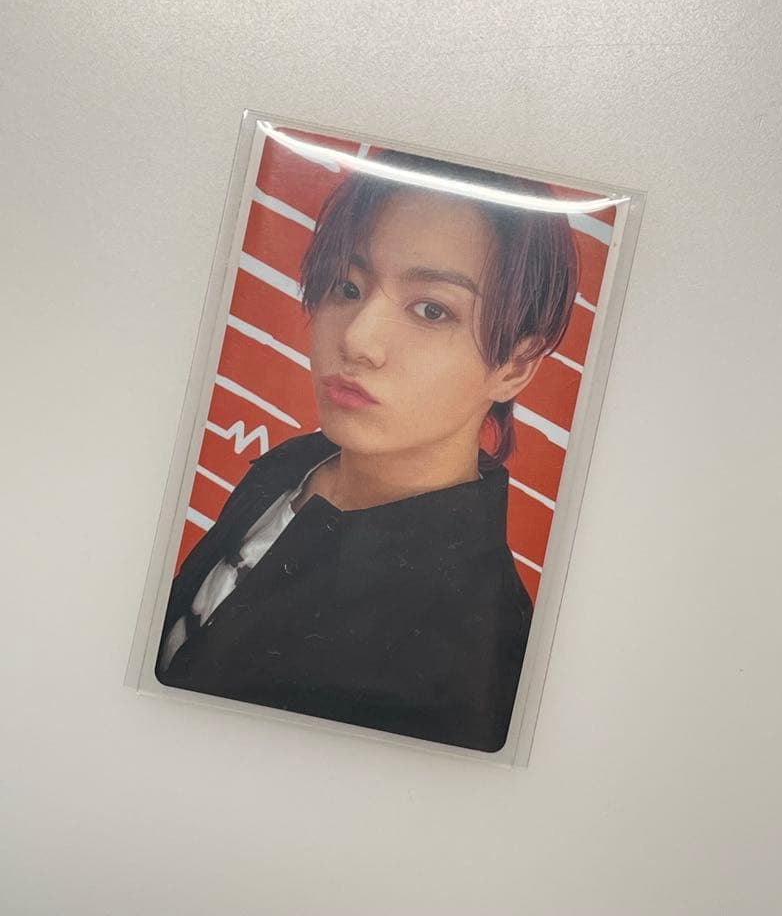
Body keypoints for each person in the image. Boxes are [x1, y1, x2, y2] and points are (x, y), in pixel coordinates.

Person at [156, 150, 578, 752]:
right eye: (347, 287)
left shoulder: (474, 657)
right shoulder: (299, 462)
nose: (357, 339)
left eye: (432, 309)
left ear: (513, 366)